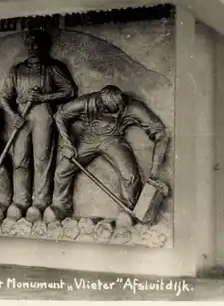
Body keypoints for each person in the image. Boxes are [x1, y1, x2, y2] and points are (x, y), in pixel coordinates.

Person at [48, 85, 170, 226]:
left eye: (117, 109)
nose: (113, 113)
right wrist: (67, 142)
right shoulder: (87, 101)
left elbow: (160, 132)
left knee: (129, 176)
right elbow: (59, 115)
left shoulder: (133, 107)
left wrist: (155, 170)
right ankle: (60, 207)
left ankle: (128, 211)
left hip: (113, 140)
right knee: (62, 171)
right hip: (87, 138)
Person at [0, 29, 78, 223]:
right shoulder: (16, 70)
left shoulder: (52, 67)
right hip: (21, 118)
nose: (31, 48)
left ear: (44, 46)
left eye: (35, 44)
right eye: (28, 44)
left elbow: (69, 90)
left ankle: (40, 203)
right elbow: (4, 97)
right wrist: (13, 115)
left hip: (43, 115)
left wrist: (44, 97)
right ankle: (20, 202)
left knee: (42, 160)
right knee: (20, 160)